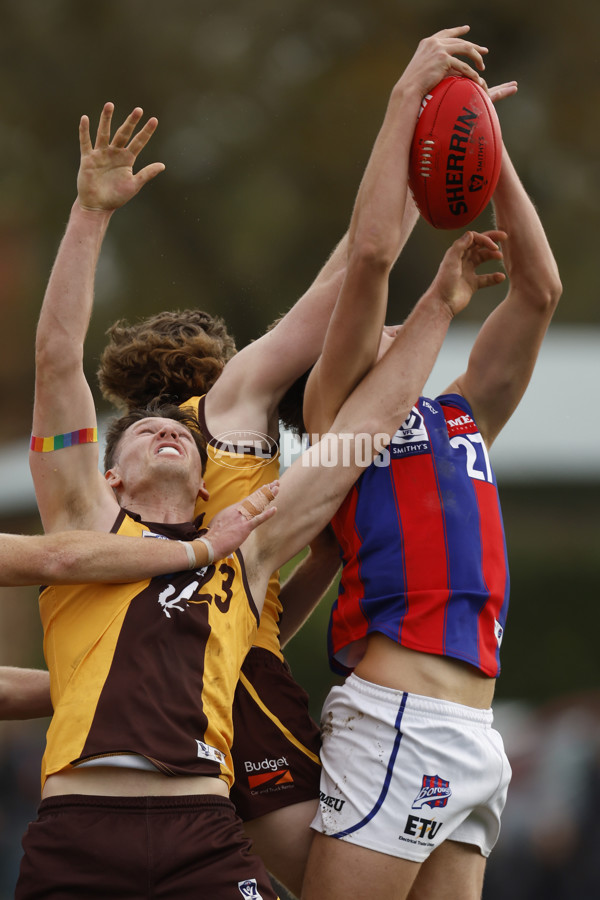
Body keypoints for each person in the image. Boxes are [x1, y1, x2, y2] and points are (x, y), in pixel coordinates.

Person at [13, 25, 492, 897]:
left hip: (201, 772)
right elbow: (355, 263)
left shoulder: (240, 531)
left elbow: (357, 409)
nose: (174, 438)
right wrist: (90, 213)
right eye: (146, 438)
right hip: (125, 788)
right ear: (112, 470)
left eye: (184, 442)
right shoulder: (132, 494)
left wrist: (435, 274)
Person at [300, 89, 562, 900]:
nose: (374, 329)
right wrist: (410, 105)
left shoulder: (462, 415)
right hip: (401, 719)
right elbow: (372, 260)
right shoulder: (337, 419)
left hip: (474, 732)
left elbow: (538, 290)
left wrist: (485, 140)